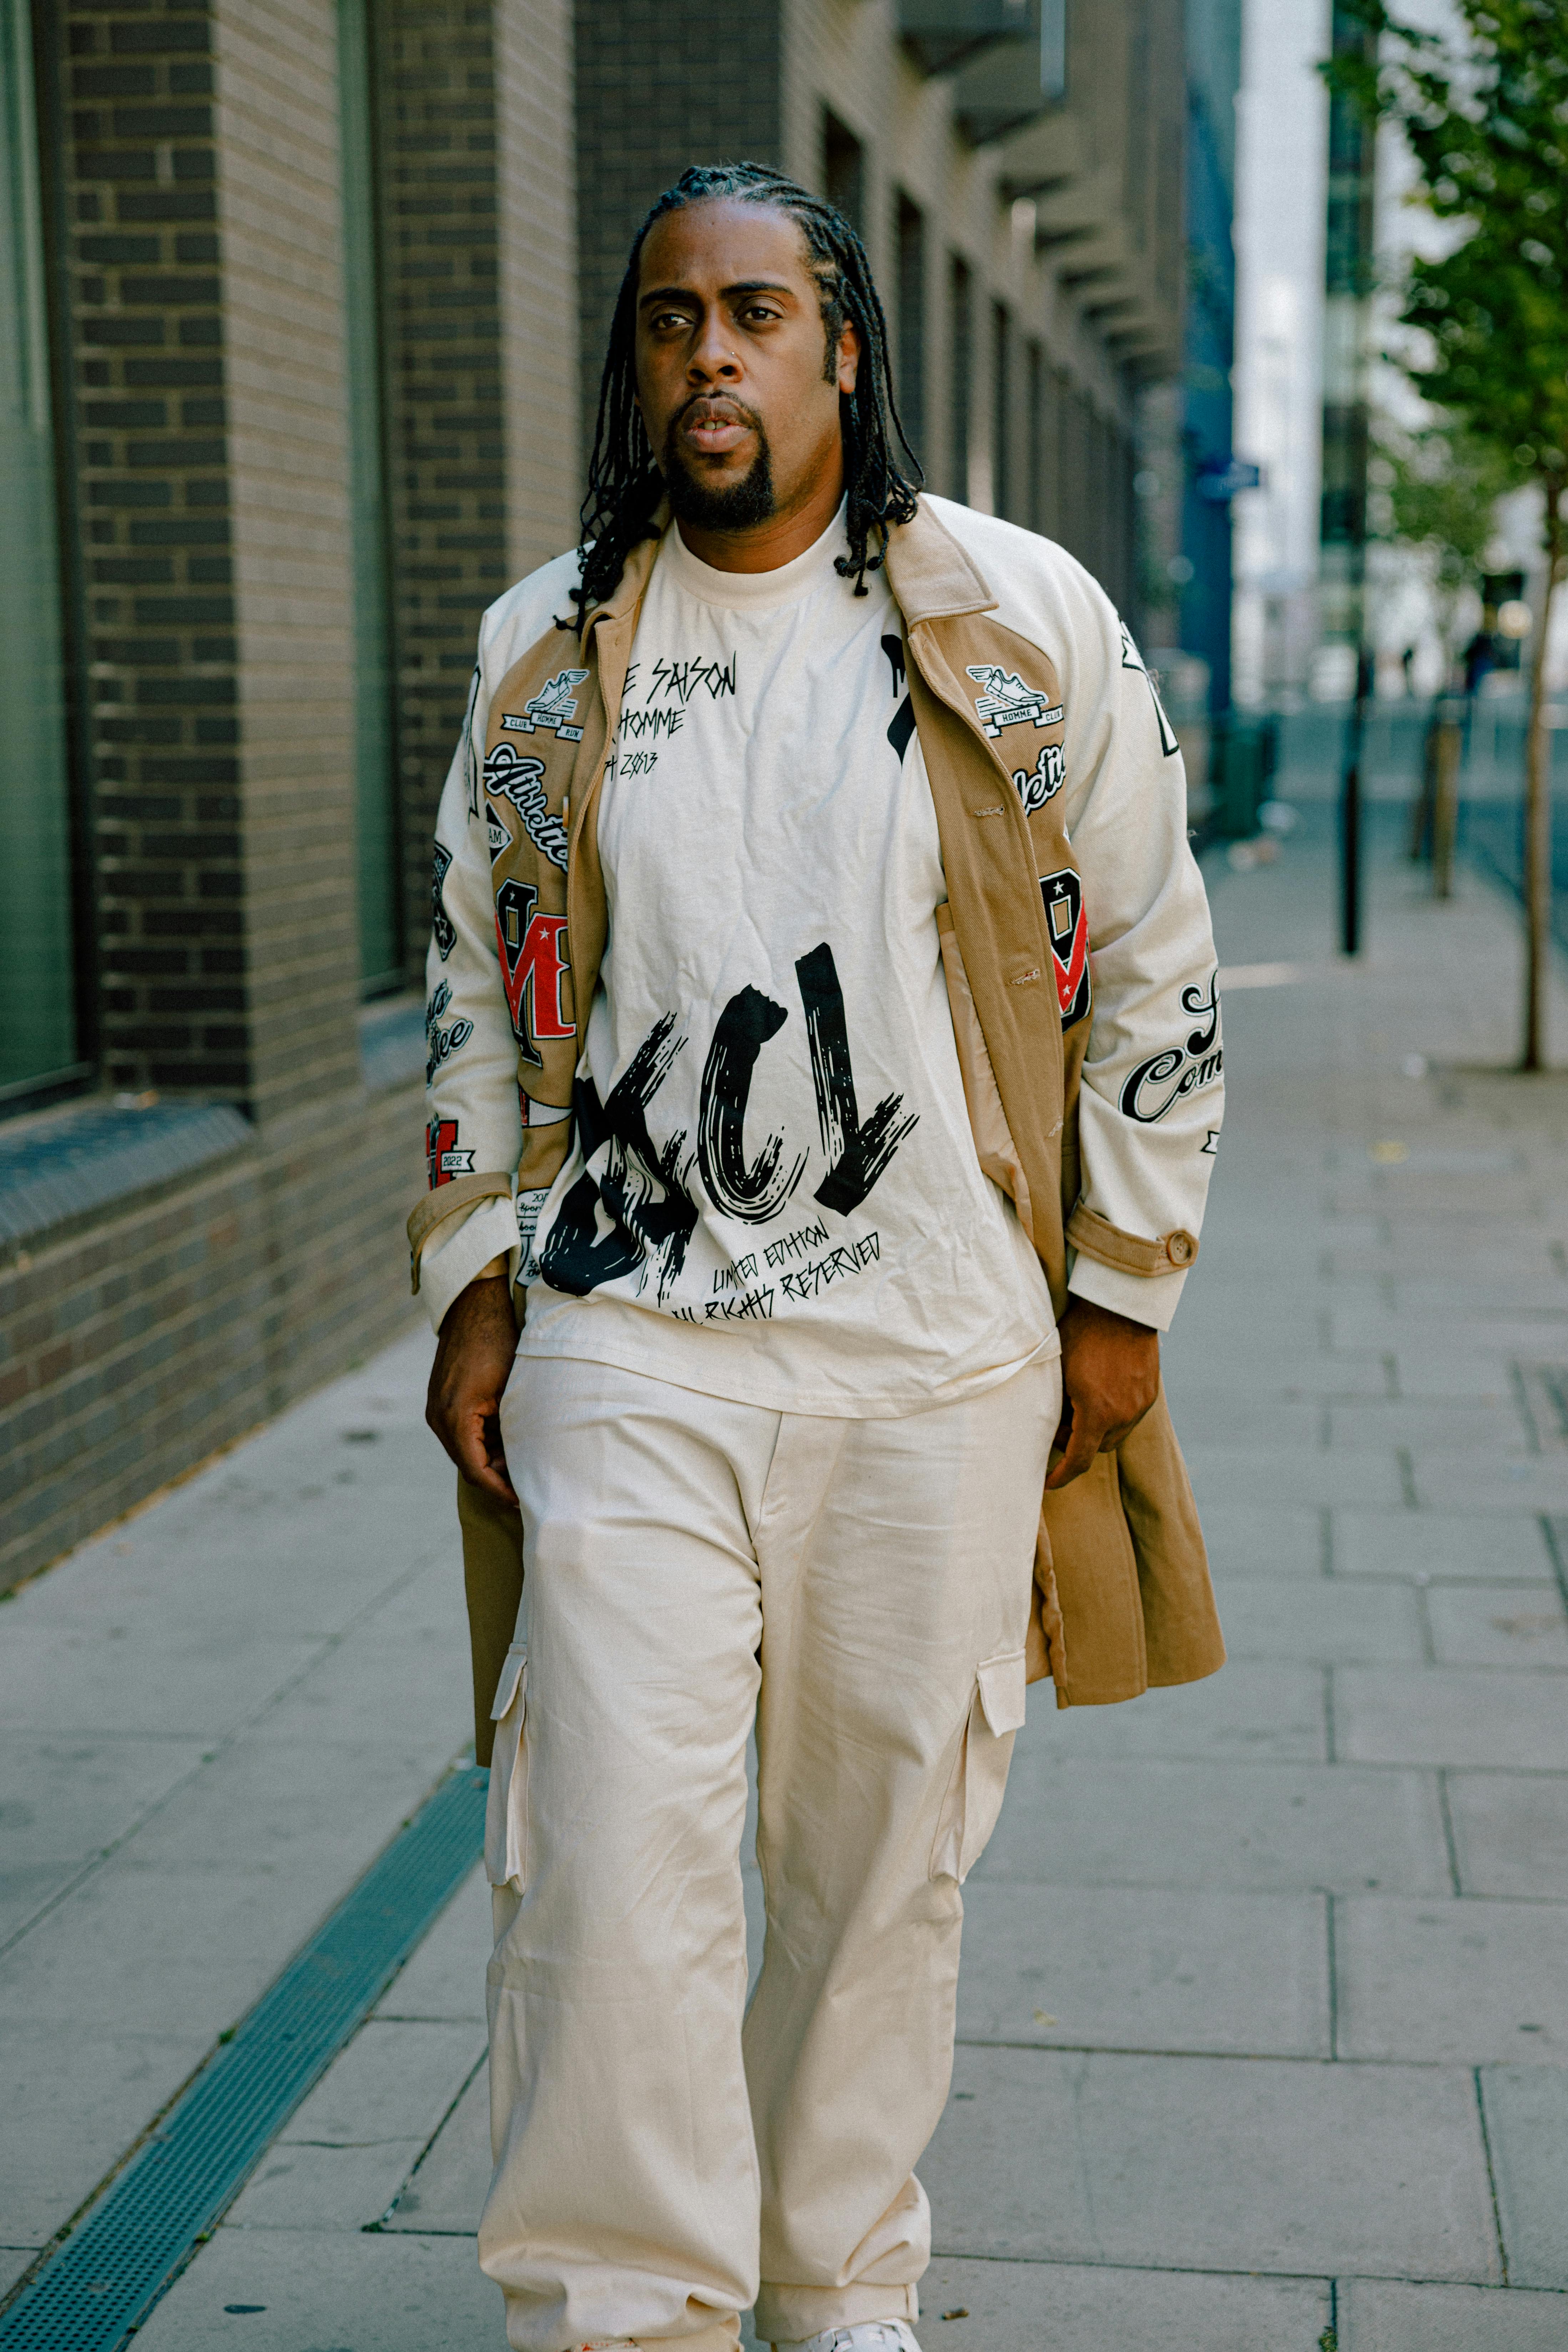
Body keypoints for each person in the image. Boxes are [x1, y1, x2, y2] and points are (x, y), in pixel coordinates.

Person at [409, 163, 1225, 2352]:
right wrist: (477, 1275)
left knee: (880, 1869)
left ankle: (837, 2283)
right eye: (671, 318)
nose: (712, 355)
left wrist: (1125, 1289)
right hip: (632, 1346)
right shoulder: (546, 649)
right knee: (609, 1862)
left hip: (941, 1354)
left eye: (757, 313)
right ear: (636, 362)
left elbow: (1155, 958)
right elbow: (479, 979)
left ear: (845, 350)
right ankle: (630, 2312)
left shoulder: (1014, 618)